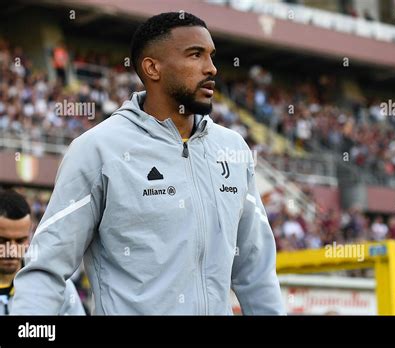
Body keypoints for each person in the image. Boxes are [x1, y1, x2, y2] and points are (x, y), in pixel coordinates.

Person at [12, 12, 284, 315]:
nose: (211, 68)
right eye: (195, 55)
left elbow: (256, 272)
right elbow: (45, 268)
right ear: (152, 68)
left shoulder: (233, 150)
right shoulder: (98, 150)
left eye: (211, 56)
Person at [0, 189, 84, 315]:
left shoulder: (57, 284)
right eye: (3, 240)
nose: (12, 250)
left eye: (20, 240)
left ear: (30, 236)